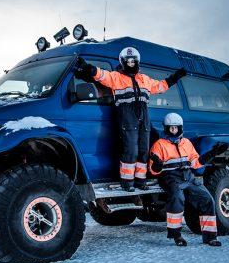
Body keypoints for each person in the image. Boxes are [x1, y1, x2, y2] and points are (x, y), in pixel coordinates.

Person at [75, 47, 186, 191]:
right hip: (127, 117)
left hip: (144, 117)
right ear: (123, 62)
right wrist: (86, 67)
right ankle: (127, 182)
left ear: (137, 62)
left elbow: (161, 86)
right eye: (128, 61)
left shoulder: (144, 79)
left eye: (133, 60)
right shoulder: (116, 77)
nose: (131, 63)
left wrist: (176, 76)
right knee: (130, 150)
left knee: (143, 151)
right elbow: (101, 75)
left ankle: (141, 181)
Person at [149, 113, 228, 247]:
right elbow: (153, 170)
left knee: (207, 199)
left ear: (181, 128)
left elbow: (195, 163)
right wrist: (157, 164)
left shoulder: (187, 143)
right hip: (170, 178)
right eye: (170, 128)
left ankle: (210, 237)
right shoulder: (159, 145)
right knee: (177, 198)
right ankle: (176, 235)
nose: (173, 131)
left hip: (188, 177)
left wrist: (211, 154)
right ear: (166, 129)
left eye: (176, 128)